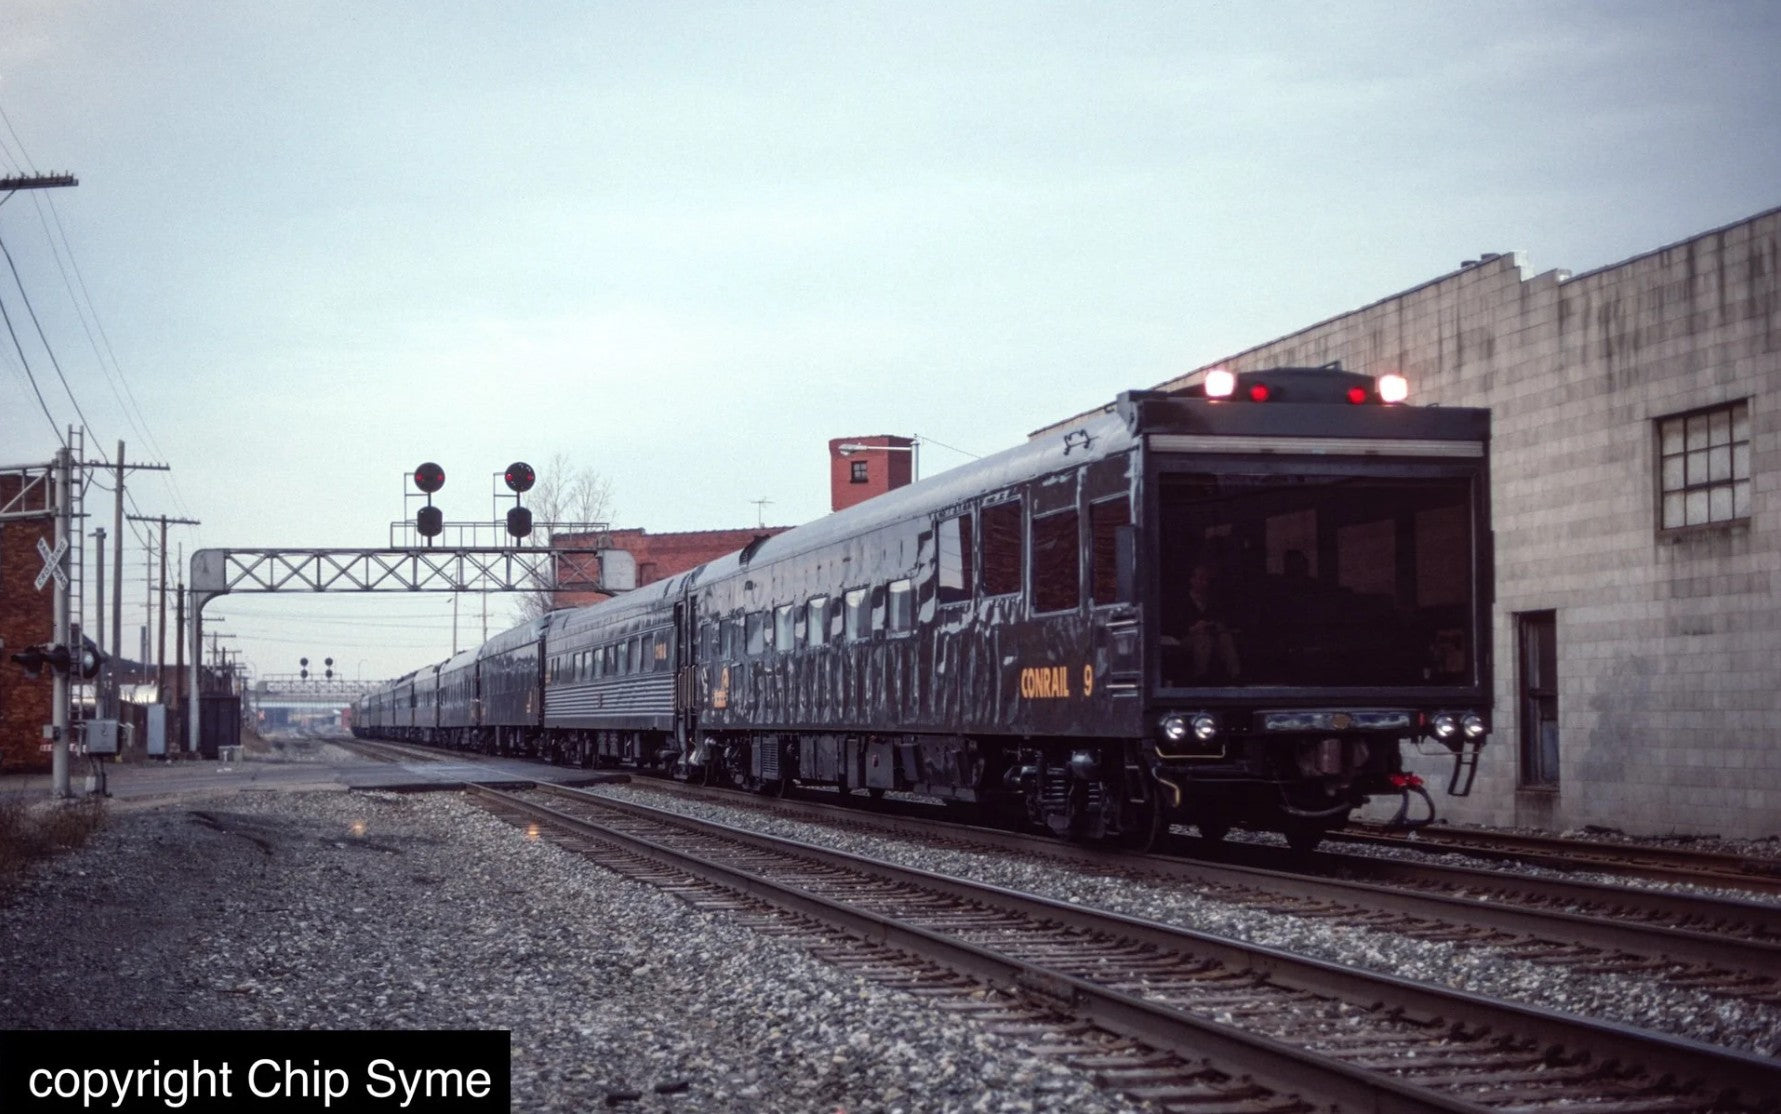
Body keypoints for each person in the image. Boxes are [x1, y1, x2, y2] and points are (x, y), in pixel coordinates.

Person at [1174, 563, 1241, 679]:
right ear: (1192, 580)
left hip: (1212, 637)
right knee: (1203, 640)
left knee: (1225, 637)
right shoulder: (1181, 600)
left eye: (1206, 579)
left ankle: (1235, 676)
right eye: (1200, 578)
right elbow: (1174, 625)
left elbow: (1221, 619)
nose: (1204, 582)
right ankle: (1200, 678)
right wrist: (1193, 628)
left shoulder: (1212, 600)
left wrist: (1215, 625)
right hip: (1185, 638)